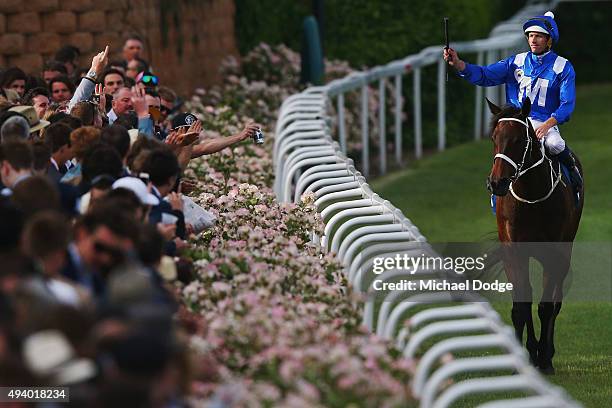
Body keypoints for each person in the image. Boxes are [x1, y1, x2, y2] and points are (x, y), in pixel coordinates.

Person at [443, 11, 582, 189]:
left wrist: (548, 124)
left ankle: (572, 173)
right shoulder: (516, 61)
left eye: (538, 36)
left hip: (545, 121)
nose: (533, 40)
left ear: (549, 39)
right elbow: (486, 75)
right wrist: (459, 64)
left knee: (555, 144)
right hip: (517, 120)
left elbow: (567, 104)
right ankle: (496, 193)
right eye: (530, 35)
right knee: (504, 147)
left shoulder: (563, 67)